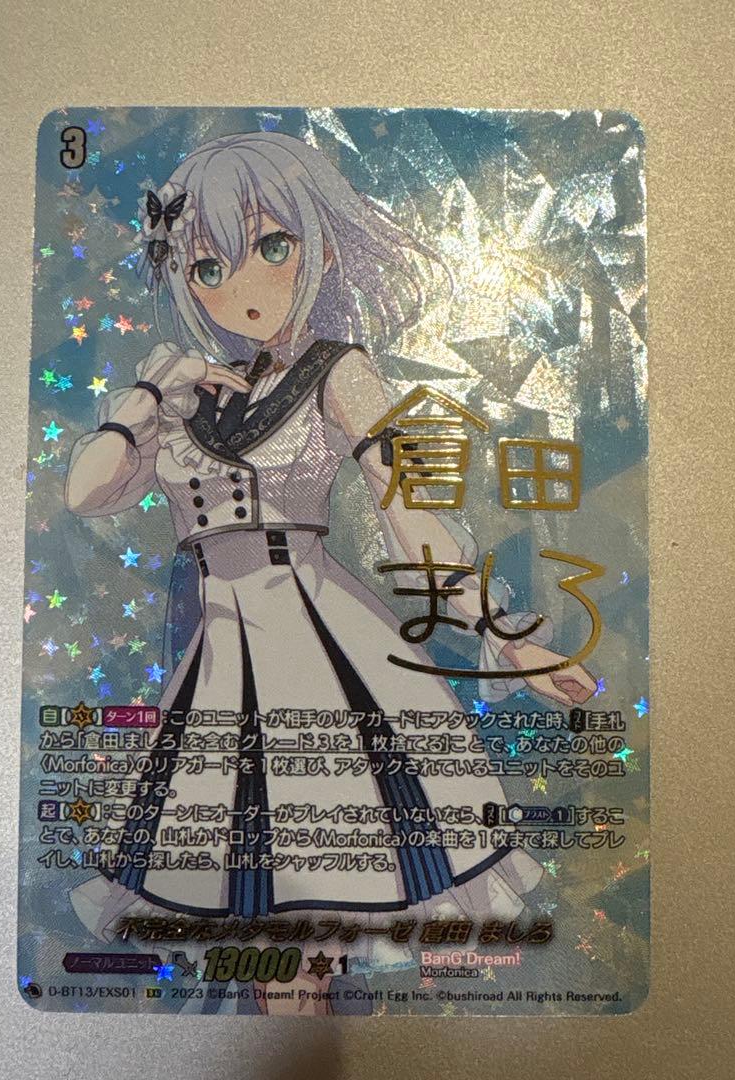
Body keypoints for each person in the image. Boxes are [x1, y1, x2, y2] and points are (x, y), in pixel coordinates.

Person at [63, 130, 595, 1013]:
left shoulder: (341, 373)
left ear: (321, 246)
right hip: (220, 673)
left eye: (274, 248)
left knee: (318, 923)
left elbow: (411, 517)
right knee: (255, 928)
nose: (246, 287)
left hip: (329, 660)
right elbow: (86, 493)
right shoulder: (180, 398)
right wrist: (150, 395)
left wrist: (507, 639)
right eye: (210, 267)